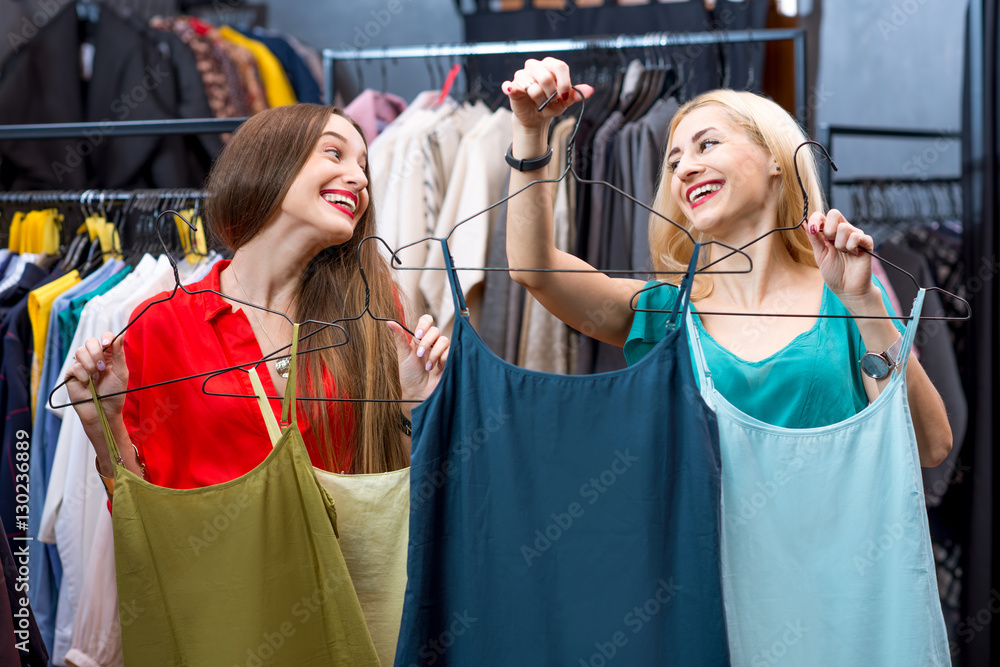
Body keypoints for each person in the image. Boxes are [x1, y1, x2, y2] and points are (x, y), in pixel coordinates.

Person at [501, 58, 952, 466]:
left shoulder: (847, 296)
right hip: (701, 557)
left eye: (707, 144)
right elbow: (531, 267)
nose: (684, 169)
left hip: (831, 556)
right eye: (674, 162)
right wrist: (530, 131)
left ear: (775, 158)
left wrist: (865, 303)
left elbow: (930, 447)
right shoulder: (664, 313)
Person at [65, 104, 451, 490]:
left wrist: (413, 405)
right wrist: (104, 428)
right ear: (270, 163)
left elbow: (402, 495)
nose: (359, 179)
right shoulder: (162, 326)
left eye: (363, 166)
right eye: (334, 153)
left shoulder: (375, 315)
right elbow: (143, 516)